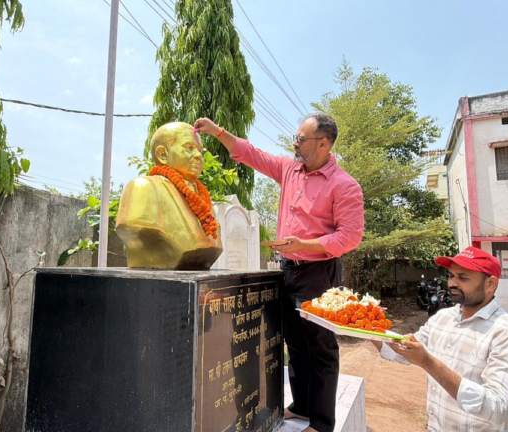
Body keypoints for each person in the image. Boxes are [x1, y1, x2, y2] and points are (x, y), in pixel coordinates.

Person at [194, 114, 364, 432]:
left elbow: (350, 236)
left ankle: (323, 422)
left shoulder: (344, 185)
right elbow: (252, 154)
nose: (294, 143)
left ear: (323, 143)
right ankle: (301, 406)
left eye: (301, 138)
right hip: (287, 269)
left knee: (321, 346)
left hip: (318, 272)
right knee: (294, 341)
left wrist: (307, 244)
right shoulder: (289, 169)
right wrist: (218, 131)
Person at [372, 246, 508, 431]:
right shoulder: (442, 318)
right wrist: (366, 326)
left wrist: (428, 362)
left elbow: (497, 408)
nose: (452, 283)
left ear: (491, 284)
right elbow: (403, 351)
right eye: (451, 276)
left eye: (463, 277)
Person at [116, 122, 222, 269]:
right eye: (189, 148)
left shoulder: (201, 197)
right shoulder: (143, 188)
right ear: (163, 154)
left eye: (199, 150)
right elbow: (133, 226)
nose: (198, 156)